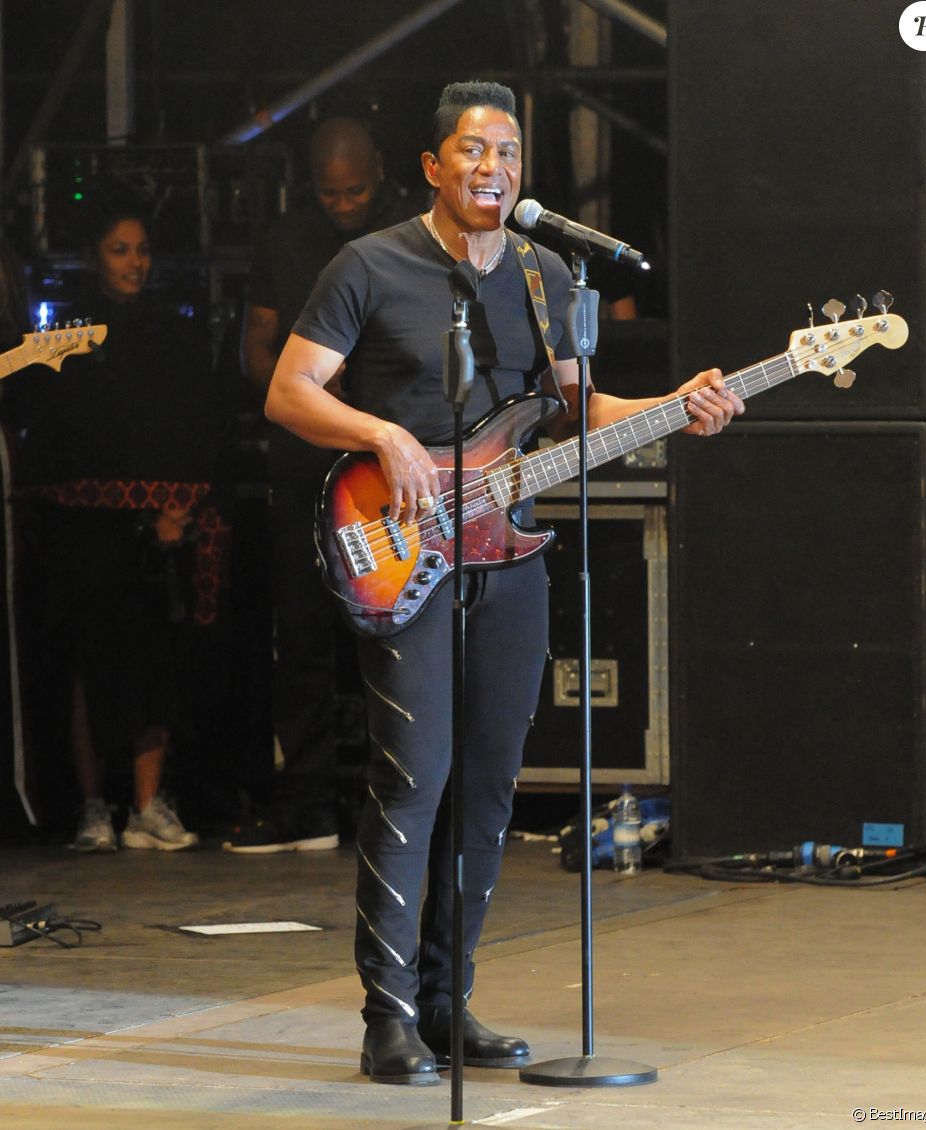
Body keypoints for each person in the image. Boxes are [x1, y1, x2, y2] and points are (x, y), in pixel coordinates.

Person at [264, 81, 743, 1085]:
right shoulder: (370, 264)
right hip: (402, 548)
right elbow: (290, 389)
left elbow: (572, 409)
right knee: (413, 780)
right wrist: (381, 430)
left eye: (510, 154)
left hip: (508, 558)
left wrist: (673, 402)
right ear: (434, 167)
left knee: (485, 790)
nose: (493, 169)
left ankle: (448, 1000)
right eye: (474, 152)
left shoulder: (541, 273)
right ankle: (387, 1015)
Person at [226, 115, 423, 854]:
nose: (343, 204)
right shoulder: (286, 236)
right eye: (329, 192)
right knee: (302, 634)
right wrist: (305, 380)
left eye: (357, 190)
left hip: (392, 465)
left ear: (381, 169)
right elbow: (257, 345)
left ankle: (399, 798)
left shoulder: (412, 229)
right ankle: (306, 800)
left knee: (397, 629)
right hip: (310, 460)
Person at [14, 195, 222, 852]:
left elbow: (196, 426)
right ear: (92, 258)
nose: (134, 263)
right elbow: (46, 426)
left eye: (141, 250)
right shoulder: (65, 337)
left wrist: (176, 509)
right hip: (84, 536)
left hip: (159, 530)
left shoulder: (174, 335)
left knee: (154, 661)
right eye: (119, 250)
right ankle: (93, 807)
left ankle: (148, 806)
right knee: (89, 665)